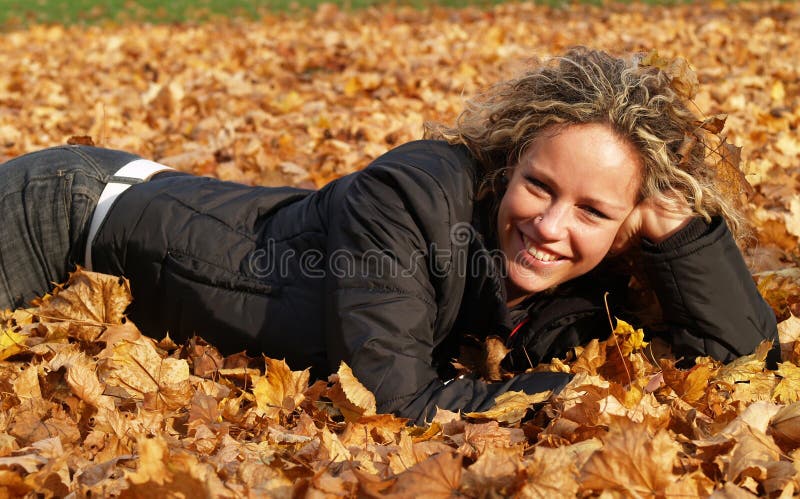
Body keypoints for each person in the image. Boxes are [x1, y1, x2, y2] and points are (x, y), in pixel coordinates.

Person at [0, 47, 777, 424]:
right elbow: (396, 399)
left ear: (624, 229)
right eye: (540, 184)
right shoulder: (414, 195)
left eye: (593, 211)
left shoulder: (571, 281)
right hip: (69, 211)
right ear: (508, 164)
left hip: (149, 201)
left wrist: (678, 231)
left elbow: (738, 363)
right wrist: (591, 398)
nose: (550, 224)